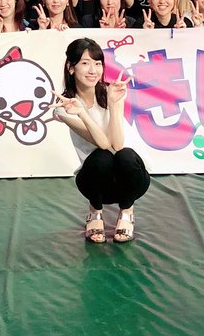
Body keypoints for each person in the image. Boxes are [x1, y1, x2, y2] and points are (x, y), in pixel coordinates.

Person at [53, 37, 148, 243]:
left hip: (129, 180)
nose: (93, 70)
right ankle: (95, 212)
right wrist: (82, 113)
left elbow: (117, 144)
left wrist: (113, 104)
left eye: (97, 63)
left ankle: (127, 211)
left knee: (125, 155)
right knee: (102, 157)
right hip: (94, 183)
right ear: (71, 67)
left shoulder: (111, 91)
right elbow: (103, 144)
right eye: (85, 63)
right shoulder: (64, 106)